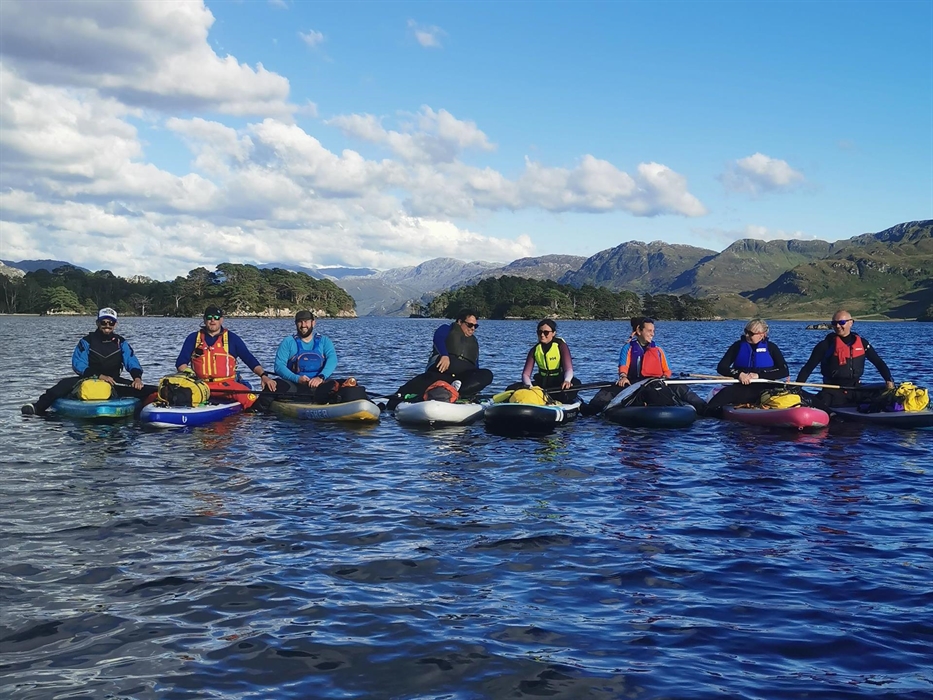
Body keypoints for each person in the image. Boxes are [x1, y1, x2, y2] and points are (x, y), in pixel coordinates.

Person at [22, 307, 156, 415]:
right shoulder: (86, 341)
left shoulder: (121, 342)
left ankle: (155, 406)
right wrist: (99, 376)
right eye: (103, 322)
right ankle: (37, 407)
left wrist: (137, 378)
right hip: (87, 379)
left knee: (148, 389)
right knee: (61, 386)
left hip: (113, 381)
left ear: (115, 324)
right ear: (98, 323)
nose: (107, 325)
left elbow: (131, 361)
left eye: (111, 323)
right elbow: (78, 364)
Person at [583, 317, 706, 415]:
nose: (652, 334)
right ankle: (588, 410)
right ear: (639, 331)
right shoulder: (628, 348)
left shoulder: (658, 350)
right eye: (649, 331)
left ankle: (704, 409)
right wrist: (623, 377)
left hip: (655, 382)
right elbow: (623, 366)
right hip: (633, 383)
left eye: (653, 331)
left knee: (682, 388)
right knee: (605, 393)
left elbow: (667, 370)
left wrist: (664, 377)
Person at [385, 310, 494, 410]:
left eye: (475, 326)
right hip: (441, 373)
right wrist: (444, 355)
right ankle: (397, 400)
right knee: (418, 383)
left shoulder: (474, 342)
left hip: (462, 379)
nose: (473, 328)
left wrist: (475, 384)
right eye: (470, 325)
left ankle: (456, 392)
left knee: (487, 374)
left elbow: (476, 363)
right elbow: (438, 338)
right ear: (460, 322)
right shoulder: (446, 329)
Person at [175, 306, 276, 410]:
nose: (213, 320)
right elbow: (181, 363)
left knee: (251, 401)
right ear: (204, 320)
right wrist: (190, 375)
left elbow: (249, 360)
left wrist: (263, 376)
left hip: (227, 385)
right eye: (209, 317)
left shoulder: (232, 339)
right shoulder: (193, 338)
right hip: (201, 385)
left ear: (221, 320)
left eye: (216, 317)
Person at [795, 309, 894, 408]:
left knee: (885, 391)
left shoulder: (862, 343)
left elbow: (878, 362)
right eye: (834, 323)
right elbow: (807, 368)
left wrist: (888, 379)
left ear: (851, 323)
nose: (837, 326)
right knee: (823, 400)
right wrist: (797, 388)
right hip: (832, 391)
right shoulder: (825, 345)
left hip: (855, 389)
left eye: (841, 322)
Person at [270, 310, 362, 403]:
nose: (303, 325)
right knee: (274, 386)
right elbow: (279, 366)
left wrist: (320, 377)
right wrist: (297, 379)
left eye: (306, 321)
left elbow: (332, 360)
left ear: (313, 323)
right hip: (295, 385)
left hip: (320, 384)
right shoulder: (288, 342)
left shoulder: (324, 341)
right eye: (300, 322)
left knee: (351, 385)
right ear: (296, 324)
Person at [705, 319, 791, 416]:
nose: (746, 335)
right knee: (725, 394)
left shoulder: (772, 348)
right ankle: (707, 413)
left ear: (762, 334)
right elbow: (721, 367)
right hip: (743, 388)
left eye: (751, 333)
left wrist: (759, 375)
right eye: (746, 331)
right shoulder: (737, 346)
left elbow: (784, 371)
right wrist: (739, 374)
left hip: (767, 389)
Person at [506, 319, 581, 402]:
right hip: (543, 382)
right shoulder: (534, 350)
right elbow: (525, 374)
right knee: (511, 388)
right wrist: (530, 387)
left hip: (559, 382)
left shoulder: (561, 346)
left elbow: (568, 369)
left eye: (546, 332)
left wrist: (567, 380)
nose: (542, 335)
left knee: (575, 384)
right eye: (539, 332)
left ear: (553, 333)